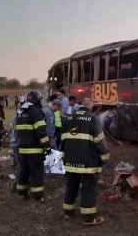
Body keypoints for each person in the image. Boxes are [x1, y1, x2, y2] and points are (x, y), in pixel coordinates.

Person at [60, 98, 109, 226]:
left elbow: (63, 140)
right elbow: (100, 140)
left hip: (70, 161)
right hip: (88, 162)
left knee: (71, 185)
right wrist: (105, 157)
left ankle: (68, 212)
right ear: (91, 107)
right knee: (88, 188)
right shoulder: (93, 119)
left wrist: (64, 157)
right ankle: (88, 218)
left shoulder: (69, 118)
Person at [15, 90, 51, 201]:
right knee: (36, 172)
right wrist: (47, 145)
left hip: (22, 148)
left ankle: (22, 193)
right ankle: (37, 196)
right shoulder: (36, 112)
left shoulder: (20, 112)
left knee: (23, 170)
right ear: (36, 100)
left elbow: (17, 131)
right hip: (34, 149)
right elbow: (41, 130)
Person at [10, 106, 21, 193]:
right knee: (20, 164)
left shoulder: (15, 116)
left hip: (14, 142)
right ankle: (17, 184)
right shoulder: (20, 118)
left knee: (17, 162)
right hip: (18, 143)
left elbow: (11, 130)